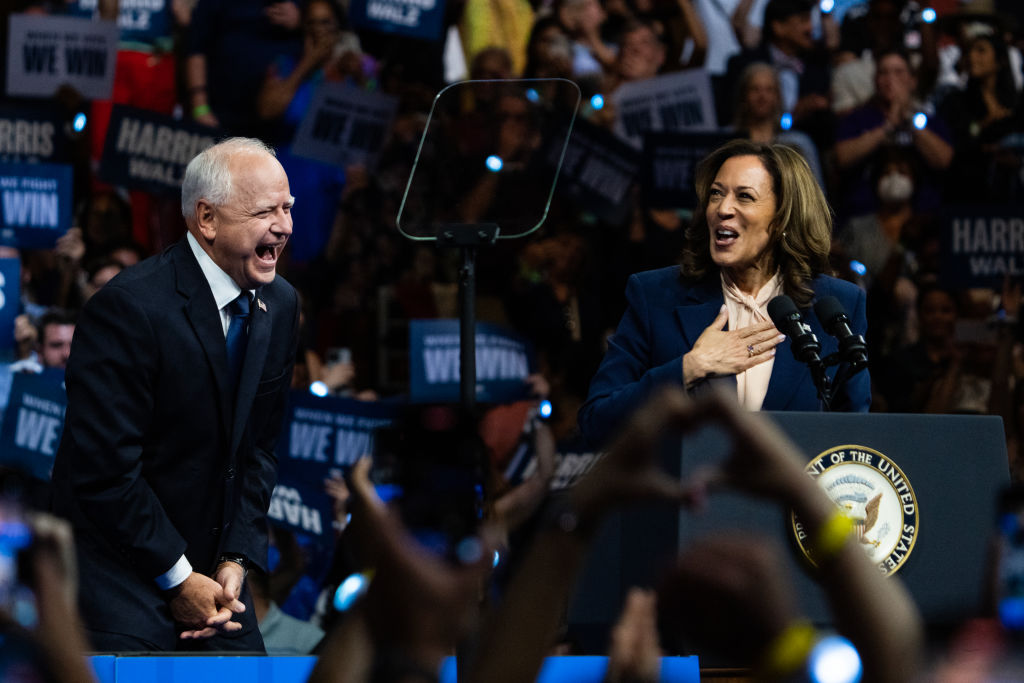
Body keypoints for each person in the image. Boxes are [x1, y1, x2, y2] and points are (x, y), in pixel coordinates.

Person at [51, 138, 301, 651]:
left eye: (287, 207)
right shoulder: (128, 310)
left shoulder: (281, 302)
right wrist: (179, 578)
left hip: (221, 585)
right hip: (125, 582)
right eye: (265, 211)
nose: (284, 226)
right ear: (206, 219)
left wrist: (236, 558)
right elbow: (105, 473)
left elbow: (258, 452)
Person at [578, 139, 870, 448]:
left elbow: (855, 437)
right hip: (688, 492)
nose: (722, 209)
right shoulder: (656, 296)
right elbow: (596, 422)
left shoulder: (837, 303)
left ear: (783, 216)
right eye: (716, 194)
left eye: (744, 196)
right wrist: (690, 367)